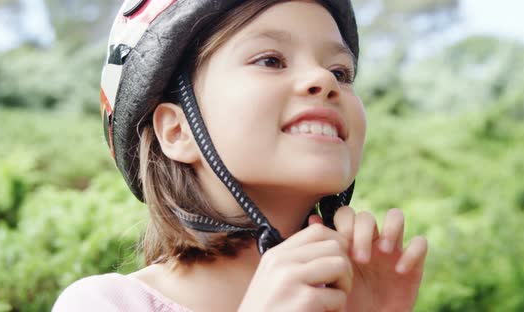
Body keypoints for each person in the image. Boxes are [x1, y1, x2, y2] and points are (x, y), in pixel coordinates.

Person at [53, 0, 428, 310]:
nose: (324, 80)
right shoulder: (105, 303)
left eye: (341, 72)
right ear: (176, 131)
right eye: (271, 60)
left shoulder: (355, 295)